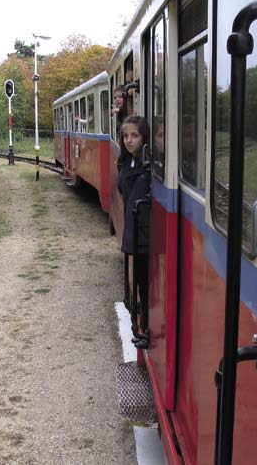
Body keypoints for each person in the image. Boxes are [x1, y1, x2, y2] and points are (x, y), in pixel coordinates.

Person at [117, 116, 151, 348]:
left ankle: (146, 327)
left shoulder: (146, 166)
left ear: (144, 137)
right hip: (133, 228)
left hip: (144, 233)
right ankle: (140, 323)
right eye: (126, 136)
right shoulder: (127, 162)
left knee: (145, 280)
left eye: (135, 136)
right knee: (138, 279)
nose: (129, 141)